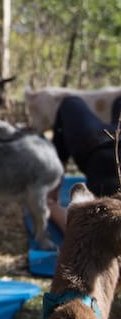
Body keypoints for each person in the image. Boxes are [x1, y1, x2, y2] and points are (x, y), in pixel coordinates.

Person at [46, 93, 121, 232]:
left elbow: (76, 230)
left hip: (94, 146)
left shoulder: (100, 230)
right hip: (100, 143)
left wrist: (50, 204)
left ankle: (54, 187)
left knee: (69, 102)